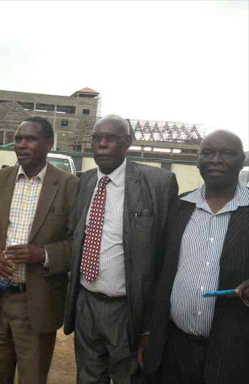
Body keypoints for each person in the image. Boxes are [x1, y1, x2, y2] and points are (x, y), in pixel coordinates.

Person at [63, 114, 178, 384]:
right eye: (96, 138)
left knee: (129, 377)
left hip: (128, 310)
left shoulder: (158, 183)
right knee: (88, 376)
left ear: (127, 143)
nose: (102, 145)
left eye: (110, 139)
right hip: (87, 303)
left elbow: (166, 257)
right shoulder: (86, 181)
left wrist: (151, 322)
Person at [0, 116, 79, 384]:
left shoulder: (68, 186)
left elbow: (77, 243)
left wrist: (42, 254)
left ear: (49, 144)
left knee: (32, 378)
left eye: (30, 139)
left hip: (36, 304)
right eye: (18, 139)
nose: (21, 144)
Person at [144, 130, 249, 384]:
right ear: (197, 160)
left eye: (227, 154)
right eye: (208, 153)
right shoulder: (179, 206)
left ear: (243, 159)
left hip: (234, 352)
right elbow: (159, 272)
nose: (215, 160)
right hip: (174, 347)